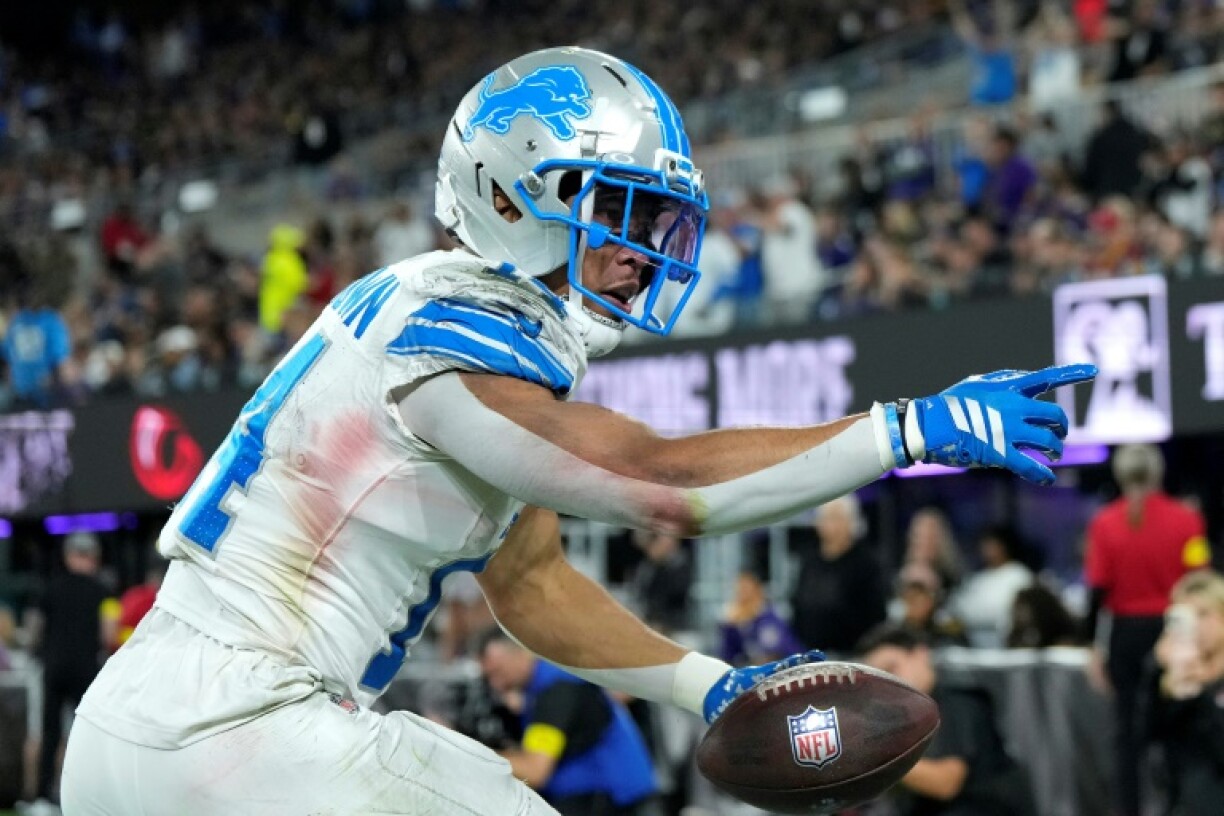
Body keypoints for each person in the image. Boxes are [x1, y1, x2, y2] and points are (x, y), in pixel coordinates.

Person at [61, 46, 1095, 816]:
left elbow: (531, 585)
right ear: (519, 198)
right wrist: (908, 429)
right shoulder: (457, 331)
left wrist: (713, 685)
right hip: (237, 728)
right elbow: (662, 483)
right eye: (626, 210)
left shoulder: (435, 315)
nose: (646, 248)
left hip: (146, 730)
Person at [1083, 443, 1210, 816]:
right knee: (1180, 721)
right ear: (1158, 473)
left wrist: (1091, 644)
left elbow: (1097, 589)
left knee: (1126, 733)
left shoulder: (1105, 522)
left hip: (1125, 635)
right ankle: (1181, 804)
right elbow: (1200, 581)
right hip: (1174, 631)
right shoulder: (1187, 519)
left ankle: (1129, 809)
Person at [858, 625, 1036, 816]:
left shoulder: (957, 703)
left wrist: (876, 759)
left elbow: (946, 784)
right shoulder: (900, 716)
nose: (886, 683)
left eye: (890, 669)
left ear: (920, 654)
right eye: (878, 679)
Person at [478, 628, 657, 816]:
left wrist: (475, 756)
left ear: (520, 652)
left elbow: (535, 771)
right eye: (488, 677)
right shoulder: (548, 682)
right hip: (600, 797)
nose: (495, 684)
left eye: (498, 672)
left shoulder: (557, 692)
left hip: (612, 800)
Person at [21, 534, 114, 815]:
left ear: (68, 556)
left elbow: (33, 631)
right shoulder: (104, 591)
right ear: (94, 557)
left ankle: (42, 798)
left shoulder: (50, 588)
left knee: (49, 733)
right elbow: (109, 633)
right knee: (86, 736)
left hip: (53, 668)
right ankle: (85, 797)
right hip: (87, 669)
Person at [1142, 570, 1224, 816]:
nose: (1196, 625)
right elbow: (1147, 736)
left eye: (1203, 614)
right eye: (1187, 616)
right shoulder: (1175, 674)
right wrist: (1157, 672)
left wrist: (1202, 695)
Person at [790, 494, 888, 655]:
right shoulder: (809, 562)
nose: (831, 525)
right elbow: (797, 606)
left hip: (853, 654)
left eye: (837, 519)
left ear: (852, 523)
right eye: (827, 519)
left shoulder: (866, 564)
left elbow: (876, 616)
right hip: (810, 653)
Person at [950, 526, 1034, 648]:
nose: (988, 550)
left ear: (1004, 546)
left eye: (993, 545)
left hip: (1008, 645)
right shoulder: (977, 580)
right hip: (974, 645)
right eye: (985, 545)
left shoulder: (1019, 575)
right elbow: (961, 611)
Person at [719, 570, 803, 666]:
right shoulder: (733, 622)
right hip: (746, 668)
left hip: (781, 667)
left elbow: (781, 650)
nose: (743, 595)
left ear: (757, 591)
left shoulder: (770, 618)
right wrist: (731, 628)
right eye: (740, 591)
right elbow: (727, 657)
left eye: (746, 590)